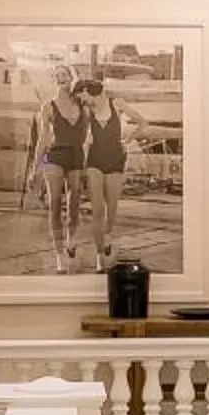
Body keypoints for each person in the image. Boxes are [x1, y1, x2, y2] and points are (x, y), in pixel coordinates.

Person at [30, 63, 90, 272]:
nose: (61, 78)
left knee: (74, 204)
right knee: (55, 202)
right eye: (58, 75)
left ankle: (70, 240)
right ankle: (58, 255)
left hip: (76, 157)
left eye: (65, 75)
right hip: (54, 157)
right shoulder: (47, 107)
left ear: (72, 77)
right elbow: (42, 140)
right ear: (55, 80)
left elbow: (91, 136)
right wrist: (34, 169)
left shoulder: (84, 106)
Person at [79, 70, 132, 270]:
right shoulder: (87, 112)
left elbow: (143, 123)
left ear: (93, 92)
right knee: (97, 211)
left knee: (112, 209)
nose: (84, 100)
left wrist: (127, 140)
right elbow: (84, 140)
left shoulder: (117, 104)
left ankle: (108, 236)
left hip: (115, 161)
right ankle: (99, 255)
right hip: (94, 161)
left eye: (85, 95)